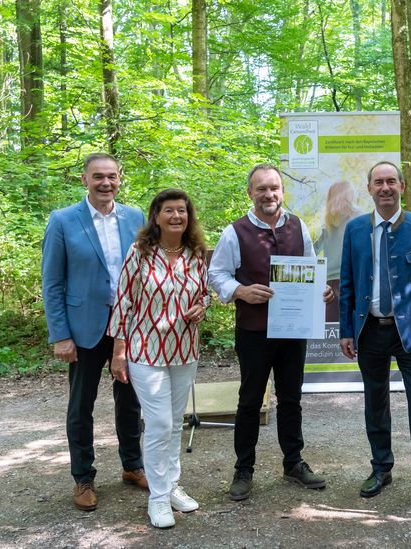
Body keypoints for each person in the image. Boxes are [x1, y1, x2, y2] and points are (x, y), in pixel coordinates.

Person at [209, 163, 334, 501]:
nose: (269, 194)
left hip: (293, 331)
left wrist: (319, 290)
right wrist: (240, 291)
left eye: (274, 188)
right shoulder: (234, 232)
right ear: (250, 193)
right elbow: (216, 275)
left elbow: (310, 268)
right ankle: (243, 468)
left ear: (282, 191)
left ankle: (293, 462)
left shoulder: (298, 227)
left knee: (292, 398)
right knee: (249, 401)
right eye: (261, 188)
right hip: (253, 330)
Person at [41, 152, 147, 511]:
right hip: (84, 328)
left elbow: (148, 273)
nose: (106, 183)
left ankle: (133, 466)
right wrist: (60, 335)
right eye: (98, 176)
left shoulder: (135, 218)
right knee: (81, 406)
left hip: (129, 328)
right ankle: (83, 478)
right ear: (84, 179)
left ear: (120, 179)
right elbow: (52, 282)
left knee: (130, 402)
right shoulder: (63, 221)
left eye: (112, 176)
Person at [339, 161, 411, 511]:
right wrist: (346, 330)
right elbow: (348, 284)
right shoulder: (355, 230)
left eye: (391, 182)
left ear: (402, 186)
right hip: (370, 330)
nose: (385, 188)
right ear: (369, 189)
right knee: (375, 401)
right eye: (378, 182)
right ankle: (381, 468)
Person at [108, 189, 208, 528]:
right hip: (146, 351)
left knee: (175, 423)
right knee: (160, 424)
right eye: (169, 210)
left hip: (184, 349)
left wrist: (201, 308)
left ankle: (171, 485)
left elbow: (202, 294)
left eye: (182, 210)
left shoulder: (195, 253)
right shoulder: (140, 252)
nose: (176, 216)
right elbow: (123, 301)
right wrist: (119, 352)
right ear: (156, 216)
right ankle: (158, 498)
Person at [314, 180, 361, 322]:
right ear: (348, 195)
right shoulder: (359, 218)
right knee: (352, 326)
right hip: (351, 278)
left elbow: (313, 250)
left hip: (328, 281)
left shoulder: (326, 221)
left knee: (331, 325)